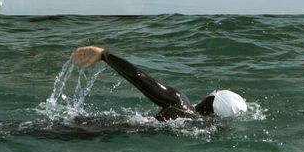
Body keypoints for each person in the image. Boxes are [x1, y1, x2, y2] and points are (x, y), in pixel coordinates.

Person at [71, 46, 247, 121]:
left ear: (209, 102)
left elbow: (139, 78)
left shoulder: (180, 104)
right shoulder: (201, 125)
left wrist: (105, 55)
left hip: (99, 127)